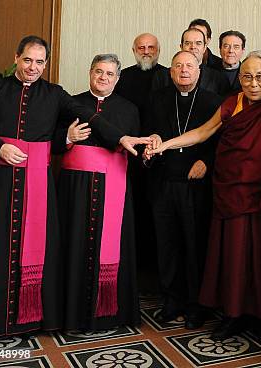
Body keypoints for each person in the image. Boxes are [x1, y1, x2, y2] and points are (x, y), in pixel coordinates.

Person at [0, 35, 148, 338]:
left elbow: (89, 114)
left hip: (38, 182)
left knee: (40, 248)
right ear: (16, 58)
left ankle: (29, 320)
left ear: (46, 64)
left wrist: (120, 138)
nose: (33, 67)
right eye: (27, 60)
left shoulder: (55, 94)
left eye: (39, 62)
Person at [147, 51, 261, 345]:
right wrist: (165, 145)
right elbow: (203, 132)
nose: (254, 84)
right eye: (248, 77)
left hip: (260, 194)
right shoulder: (232, 103)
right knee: (230, 256)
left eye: (260, 77)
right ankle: (233, 315)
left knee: (260, 256)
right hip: (228, 191)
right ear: (239, 79)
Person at [54, 54, 141, 331]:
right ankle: (70, 310)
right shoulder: (70, 104)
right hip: (74, 188)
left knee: (110, 245)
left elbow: (134, 150)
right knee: (73, 242)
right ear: (90, 72)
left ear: (118, 77)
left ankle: (109, 312)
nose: (103, 78)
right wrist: (68, 137)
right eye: (98, 72)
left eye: (109, 74)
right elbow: (50, 141)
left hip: (113, 186)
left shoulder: (130, 108)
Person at [144, 51, 222, 329]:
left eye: (189, 66)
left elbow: (220, 141)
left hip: (196, 185)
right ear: (171, 71)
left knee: (194, 245)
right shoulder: (156, 99)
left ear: (199, 70)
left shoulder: (213, 101)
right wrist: (150, 144)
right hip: (164, 182)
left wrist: (206, 161)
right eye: (178, 66)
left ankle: (196, 304)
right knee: (167, 245)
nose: (184, 70)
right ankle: (171, 300)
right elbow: (149, 133)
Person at [114, 33, 166, 285]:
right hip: (128, 156)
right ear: (133, 50)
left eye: (151, 47)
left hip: (161, 156)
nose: (146, 51)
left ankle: (156, 275)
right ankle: (133, 273)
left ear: (159, 50)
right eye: (141, 47)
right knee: (132, 213)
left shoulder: (170, 74)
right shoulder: (123, 78)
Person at [152, 28, 229, 96]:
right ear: (181, 46)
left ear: (204, 47)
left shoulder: (218, 78)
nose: (193, 47)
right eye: (188, 43)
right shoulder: (161, 76)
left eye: (198, 43)